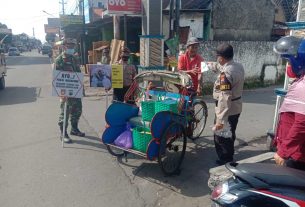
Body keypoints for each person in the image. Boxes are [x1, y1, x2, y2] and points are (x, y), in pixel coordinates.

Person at [273, 36, 305, 171]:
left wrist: (283, 151)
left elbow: (302, 123)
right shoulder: (301, 80)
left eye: (289, 62)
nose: (288, 66)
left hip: (296, 155)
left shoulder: (303, 86)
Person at [212, 43, 245, 165]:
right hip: (236, 107)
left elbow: (224, 98)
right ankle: (228, 156)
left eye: (217, 57)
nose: (217, 59)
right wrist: (211, 66)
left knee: (221, 135)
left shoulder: (226, 74)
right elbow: (222, 68)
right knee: (230, 133)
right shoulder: (238, 66)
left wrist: (220, 119)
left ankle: (226, 161)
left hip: (227, 109)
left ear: (221, 57)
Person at [55, 37, 85, 143]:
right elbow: (57, 78)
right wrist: (61, 93)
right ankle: (63, 134)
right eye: (69, 46)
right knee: (65, 113)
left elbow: (78, 74)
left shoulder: (74, 58)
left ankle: (74, 129)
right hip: (65, 92)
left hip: (76, 91)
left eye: (73, 46)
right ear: (64, 47)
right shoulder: (59, 60)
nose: (71, 48)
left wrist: (82, 89)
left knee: (77, 111)